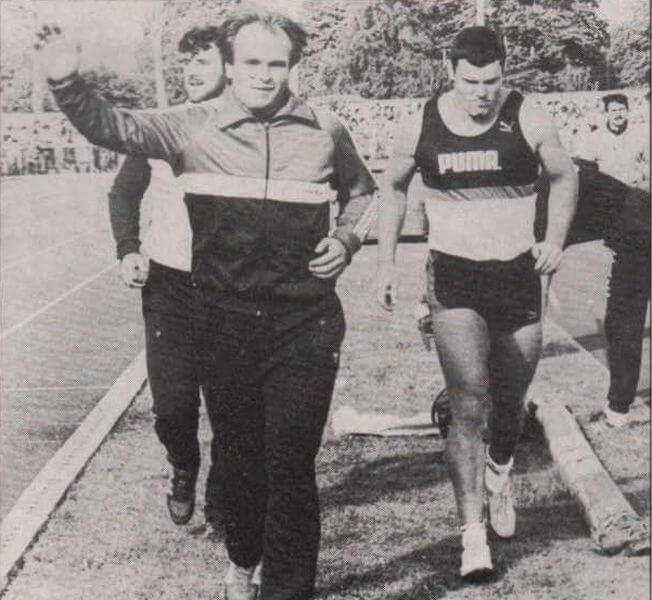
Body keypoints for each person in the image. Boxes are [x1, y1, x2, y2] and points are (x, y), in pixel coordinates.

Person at [37, 9, 376, 600]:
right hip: (224, 324)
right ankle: (242, 561)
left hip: (305, 324)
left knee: (292, 466)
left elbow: (364, 192)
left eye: (278, 64)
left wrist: (345, 239)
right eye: (252, 64)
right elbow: (112, 127)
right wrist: (68, 82)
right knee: (241, 468)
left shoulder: (326, 127)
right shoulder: (191, 127)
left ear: (294, 66)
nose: (265, 77)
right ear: (230, 65)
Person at [376, 27, 577, 580]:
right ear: (451, 71)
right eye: (471, 82)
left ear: (504, 74)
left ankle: (501, 468)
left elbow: (565, 175)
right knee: (469, 402)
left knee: (510, 403)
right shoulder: (421, 120)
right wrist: (388, 262)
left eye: (493, 81)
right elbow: (391, 186)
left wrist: (555, 239)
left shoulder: (528, 114)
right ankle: (472, 536)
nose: (483, 93)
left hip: (515, 277)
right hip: (456, 278)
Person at [108, 26, 227, 531]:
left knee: (233, 407)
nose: (192, 72)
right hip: (170, 288)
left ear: (231, 66)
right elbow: (122, 194)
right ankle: (183, 466)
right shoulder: (160, 129)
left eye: (205, 61)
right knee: (174, 406)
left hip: (230, 289)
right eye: (188, 63)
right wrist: (129, 249)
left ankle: (226, 497)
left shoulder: (245, 129)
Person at [571, 93, 650, 428]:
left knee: (623, 317)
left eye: (623, 109)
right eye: (613, 110)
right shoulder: (593, 143)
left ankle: (619, 407)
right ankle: (619, 406)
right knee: (623, 317)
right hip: (629, 215)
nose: (619, 115)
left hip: (636, 220)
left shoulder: (641, 134)